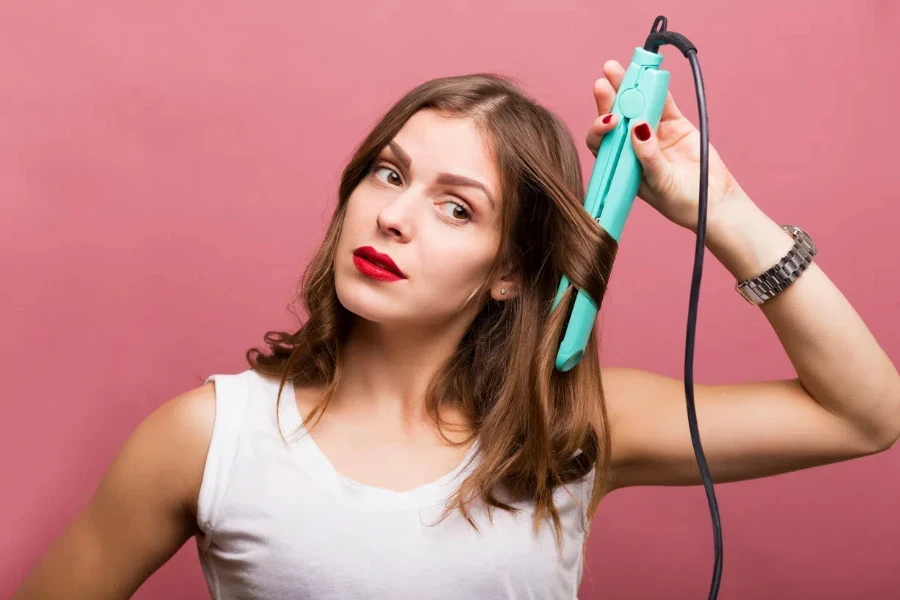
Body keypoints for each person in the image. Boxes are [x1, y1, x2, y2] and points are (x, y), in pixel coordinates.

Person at [14, 59, 900, 600]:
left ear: (511, 271)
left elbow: (865, 414)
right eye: (389, 174)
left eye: (455, 207)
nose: (396, 218)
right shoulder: (210, 436)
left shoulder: (572, 428)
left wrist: (728, 211)